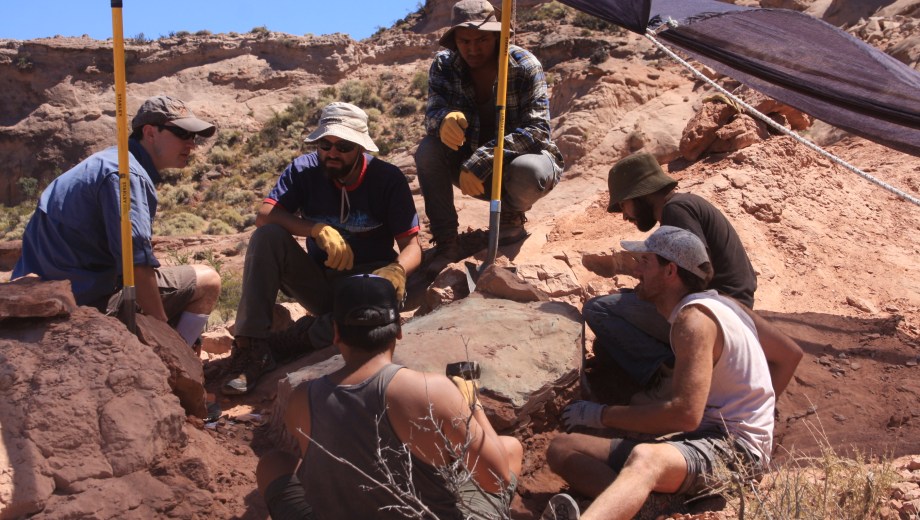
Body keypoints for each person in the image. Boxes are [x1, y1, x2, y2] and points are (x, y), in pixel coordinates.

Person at [547, 226, 776, 520]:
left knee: (646, 458)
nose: (636, 270)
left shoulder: (694, 320)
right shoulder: (719, 305)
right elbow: (789, 354)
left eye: (645, 262)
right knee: (562, 448)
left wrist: (600, 415)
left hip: (735, 452)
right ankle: (652, 509)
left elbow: (685, 415)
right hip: (706, 439)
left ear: (670, 271)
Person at [255, 274, 523, 519]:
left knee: (273, 464)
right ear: (399, 330)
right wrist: (472, 405)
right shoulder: (432, 390)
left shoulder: (302, 397)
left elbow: (324, 471)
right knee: (509, 449)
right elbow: (495, 480)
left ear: (336, 333)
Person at [223, 102, 422, 395]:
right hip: (320, 282)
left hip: (370, 284)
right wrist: (314, 229)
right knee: (267, 236)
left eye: (343, 146)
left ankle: (295, 339)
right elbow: (265, 215)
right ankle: (251, 347)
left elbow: (413, 246)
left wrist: (397, 269)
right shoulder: (303, 170)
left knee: (371, 322)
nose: (332, 153)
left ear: (360, 147)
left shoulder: (387, 179)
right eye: (325, 145)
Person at [583, 152, 801, 396]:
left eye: (624, 204)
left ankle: (666, 375)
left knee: (598, 309)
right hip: (731, 306)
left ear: (640, 195)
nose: (625, 215)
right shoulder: (684, 205)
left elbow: (693, 272)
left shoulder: (676, 211)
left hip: (714, 314)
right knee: (616, 323)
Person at [12, 95, 221, 346]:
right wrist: (164, 333)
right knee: (208, 280)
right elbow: (136, 264)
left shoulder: (107, 162)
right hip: (85, 304)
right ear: (150, 132)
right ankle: (177, 356)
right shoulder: (127, 175)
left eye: (193, 137)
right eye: (182, 133)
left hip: (42, 295)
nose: (191, 144)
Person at [415, 0, 564, 273]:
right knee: (428, 151)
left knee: (530, 169)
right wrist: (443, 120)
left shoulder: (524, 65)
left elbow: (538, 130)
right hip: (469, 171)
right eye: (465, 41)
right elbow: (432, 114)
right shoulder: (444, 65)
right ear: (455, 40)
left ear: (497, 36)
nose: (473, 48)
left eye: (481, 39)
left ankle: (510, 218)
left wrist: (482, 159)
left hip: (512, 169)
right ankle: (447, 241)